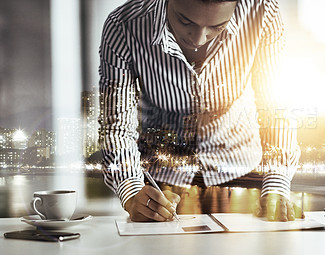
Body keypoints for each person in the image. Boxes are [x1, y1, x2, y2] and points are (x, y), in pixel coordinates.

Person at [98, 0, 301, 222]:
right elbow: (116, 125)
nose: (198, 39)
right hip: (162, 189)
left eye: (217, 26)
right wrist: (131, 191)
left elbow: (277, 108)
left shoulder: (262, 14)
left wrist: (276, 186)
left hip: (247, 182)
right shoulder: (124, 26)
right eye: (185, 21)